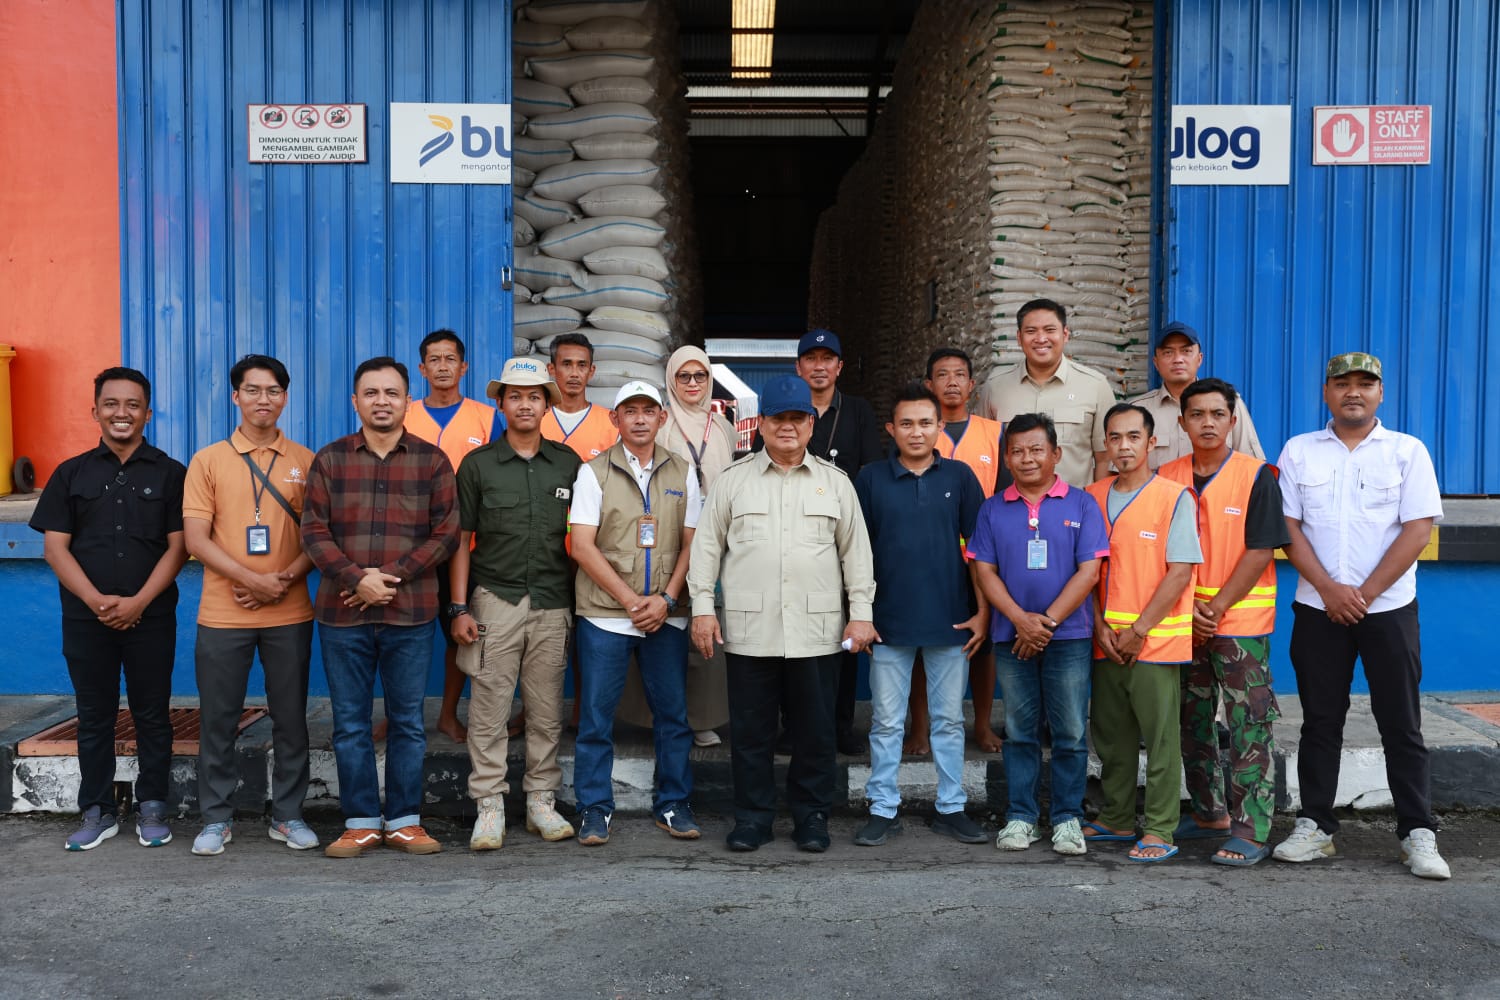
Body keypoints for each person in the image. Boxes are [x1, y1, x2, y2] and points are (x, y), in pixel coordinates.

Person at [1273, 352, 1450, 879]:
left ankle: (1418, 832)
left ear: (1380, 394)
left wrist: (1364, 594)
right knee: (1320, 721)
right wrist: (1330, 590)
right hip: (1317, 607)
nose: (1353, 392)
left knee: (1401, 721)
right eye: (1342, 383)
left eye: (1364, 384)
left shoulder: (1405, 452)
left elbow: (1418, 529)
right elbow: (1289, 528)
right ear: (1325, 392)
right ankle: (1317, 828)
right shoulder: (1299, 452)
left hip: (1389, 609)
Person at [689, 374, 877, 853]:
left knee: (814, 735)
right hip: (752, 631)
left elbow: (856, 554)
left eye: (798, 418)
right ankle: (752, 819)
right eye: (779, 418)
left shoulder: (836, 485)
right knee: (751, 735)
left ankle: (811, 818)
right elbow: (706, 551)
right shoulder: (734, 482)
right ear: (762, 425)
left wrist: (861, 614)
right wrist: (703, 611)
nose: (788, 427)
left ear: (811, 425)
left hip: (816, 631)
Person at [302, 357, 459, 858]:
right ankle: (361, 821)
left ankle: (407, 820)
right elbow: (313, 532)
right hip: (342, 613)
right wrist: (356, 579)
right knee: (350, 722)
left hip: (410, 612)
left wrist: (389, 579)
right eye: (371, 393)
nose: (382, 401)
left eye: (392, 393)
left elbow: (447, 533)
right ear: (356, 401)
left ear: (407, 400)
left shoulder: (433, 462)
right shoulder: (329, 460)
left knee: (408, 721)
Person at [30, 368, 188, 851]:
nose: (122, 413)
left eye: (133, 404)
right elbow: (56, 549)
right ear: (95, 410)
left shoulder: (170, 472)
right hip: (86, 618)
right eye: (112, 404)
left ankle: (153, 803)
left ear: (147, 412)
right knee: (94, 713)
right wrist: (97, 601)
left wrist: (138, 602)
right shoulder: (71, 473)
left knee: (152, 713)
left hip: (151, 617)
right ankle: (96, 809)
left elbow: (179, 548)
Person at [183, 355, 318, 856]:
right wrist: (250, 580)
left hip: (290, 612)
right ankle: (216, 818)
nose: (264, 399)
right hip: (223, 613)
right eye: (253, 390)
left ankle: (287, 814)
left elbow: (317, 537)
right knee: (218, 718)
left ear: (285, 397)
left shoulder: (305, 460)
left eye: (274, 391)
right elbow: (196, 538)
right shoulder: (209, 460)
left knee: (291, 717)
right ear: (235, 396)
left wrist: (281, 581)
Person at [449, 357, 581, 850]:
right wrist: (459, 608)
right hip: (494, 599)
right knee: (488, 708)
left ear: (547, 404)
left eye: (534, 396)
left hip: (552, 601)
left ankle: (540, 802)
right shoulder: (478, 465)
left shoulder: (568, 463)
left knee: (547, 710)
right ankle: (489, 805)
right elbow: (462, 540)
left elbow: (583, 538)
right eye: (514, 396)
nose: (524, 404)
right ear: (500, 403)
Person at [852, 384, 988, 848]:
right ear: (891, 429)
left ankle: (951, 807)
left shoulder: (962, 477)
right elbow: (855, 553)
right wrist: (861, 614)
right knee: (887, 721)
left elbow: (980, 553)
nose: (916, 432)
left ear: (939, 428)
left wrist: (983, 612)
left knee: (949, 722)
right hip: (887, 622)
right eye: (906, 423)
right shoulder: (869, 479)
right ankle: (882, 808)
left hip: (950, 619)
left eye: (925, 423)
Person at [1159, 378, 1286, 866]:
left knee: (1249, 722)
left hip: (1240, 624)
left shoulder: (1257, 476)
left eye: (1217, 414)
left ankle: (1251, 828)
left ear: (1233, 421)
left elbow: (1260, 551)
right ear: (1182, 421)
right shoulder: (1166, 478)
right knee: (1190, 719)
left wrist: (1213, 611)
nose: (1207, 423)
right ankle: (1210, 811)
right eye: (1197, 414)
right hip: (1180, 621)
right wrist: (1191, 611)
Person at [969, 413, 1108, 855]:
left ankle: (1068, 817)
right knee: (1020, 730)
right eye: (1017, 451)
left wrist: (1043, 622)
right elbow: (983, 569)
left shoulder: (1082, 504)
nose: (1026, 458)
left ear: (1055, 455)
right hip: (1012, 639)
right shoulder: (993, 508)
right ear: (1006, 457)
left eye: (1035, 450)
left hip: (1069, 638)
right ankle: (1021, 816)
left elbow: (1090, 571)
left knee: (1068, 731)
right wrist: (1020, 620)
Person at [571, 380, 703, 846]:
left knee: (673, 715)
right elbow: (582, 546)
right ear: (616, 419)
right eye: (631, 411)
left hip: (666, 613)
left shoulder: (683, 471)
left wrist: (666, 600)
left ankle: (673, 803)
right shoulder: (593, 473)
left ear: (661, 418)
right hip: (606, 614)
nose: (641, 418)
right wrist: (630, 601)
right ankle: (593, 807)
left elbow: (693, 544)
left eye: (650, 410)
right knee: (596, 716)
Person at [750, 329, 883, 756]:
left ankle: (840, 724)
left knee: (840, 638)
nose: (820, 366)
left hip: (839, 533)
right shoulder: (778, 414)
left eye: (829, 359)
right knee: (790, 636)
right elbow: (761, 464)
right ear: (799, 366)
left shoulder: (858, 411)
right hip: (789, 536)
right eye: (811, 358)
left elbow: (869, 473)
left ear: (840, 367)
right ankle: (791, 725)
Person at [1084, 403, 1201, 863]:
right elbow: (1085, 572)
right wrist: (1099, 626)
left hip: (1153, 641)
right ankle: (1115, 816)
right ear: (1106, 444)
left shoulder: (1174, 497)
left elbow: (1180, 573)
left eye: (1134, 437)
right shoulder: (1090, 496)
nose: (1124, 446)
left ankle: (1159, 828)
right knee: (1110, 734)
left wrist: (1138, 629)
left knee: (1160, 738)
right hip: (1104, 639)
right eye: (1115, 437)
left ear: (1152, 443)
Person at [616, 346, 734, 747]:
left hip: (716, 538)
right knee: (661, 627)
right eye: (683, 377)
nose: (692, 384)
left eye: (700, 376)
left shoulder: (723, 427)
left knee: (704, 623)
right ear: (671, 380)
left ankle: (701, 718)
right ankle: (653, 717)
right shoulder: (661, 423)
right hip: (667, 539)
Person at [404, 328, 505, 745]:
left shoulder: (486, 417)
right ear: (421, 368)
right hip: (407, 546)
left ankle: (447, 715)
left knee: (457, 634)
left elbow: (498, 477)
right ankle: (400, 718)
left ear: (464, 366)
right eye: (435, 359)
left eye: (451, 359)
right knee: (402, 637)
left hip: (467, 547)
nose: (443, 366)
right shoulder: (404, 413)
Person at [908, 346, 1008, 754]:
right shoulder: (920, 430)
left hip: (983, 555)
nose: (951, 381)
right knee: (920, 643)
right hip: (931, 556)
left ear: (971, 384)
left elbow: (1005, 493)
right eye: (942, 375)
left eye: (959, 374)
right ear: (929, 385)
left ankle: (982, 725)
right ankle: (920, 728)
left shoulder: (994, 433)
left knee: (983, 645)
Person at [977, 298, 1117, 487]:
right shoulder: (995, 387)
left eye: (1050, 330)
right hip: (1011, 511)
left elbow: (1104, 459)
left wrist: (1097, 509)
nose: (1041, 339)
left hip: (1073, 512)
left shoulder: (1095, 385)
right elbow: (984, 455)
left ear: (1065, 334)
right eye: (1031, 331)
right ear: (1019, 338)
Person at [1127, 321, 1264, 469]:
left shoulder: (1228, 401)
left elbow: (1252, 466)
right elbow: (1123, 473)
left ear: (1199, 359)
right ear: (1156, 363)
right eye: (1168, 353)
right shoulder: (1138, 411)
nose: (1178, 359)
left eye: (1186, 351)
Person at [540, 332, 619, 460]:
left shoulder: (611, 423)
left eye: (582, 365)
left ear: (591, 371)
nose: (574, 374)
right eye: (567, 364)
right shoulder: (536, 418)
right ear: (551, 369)